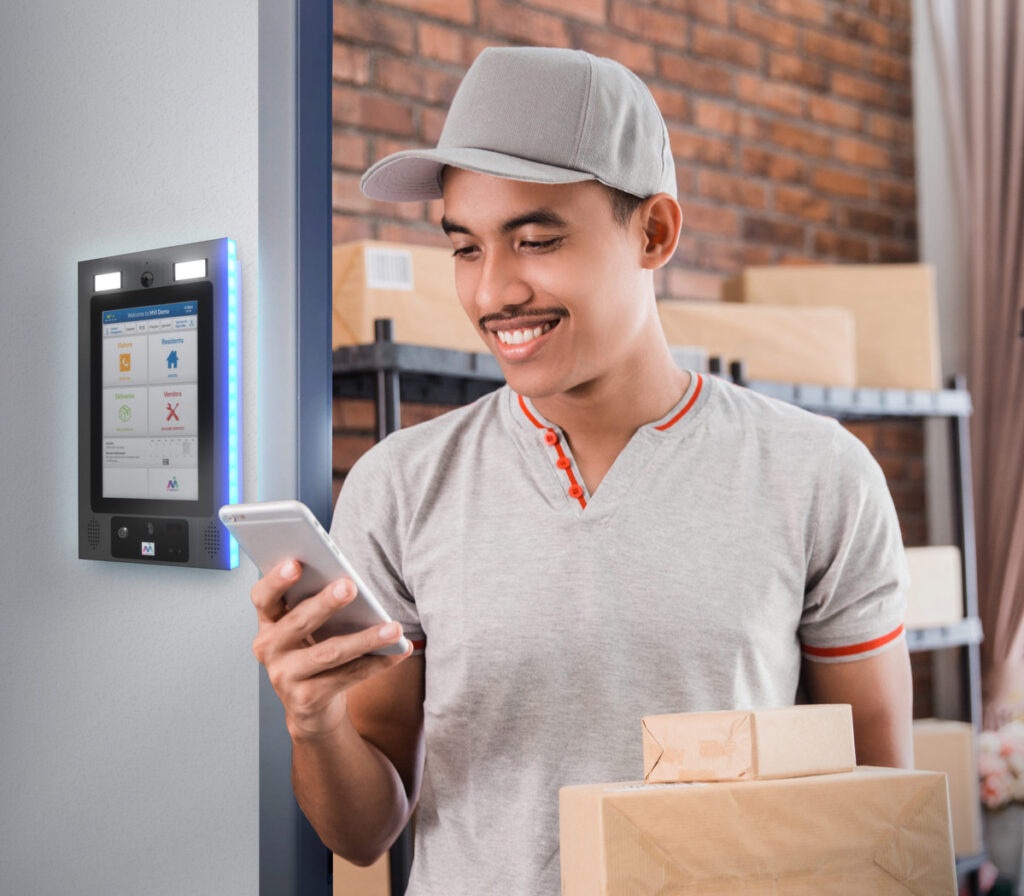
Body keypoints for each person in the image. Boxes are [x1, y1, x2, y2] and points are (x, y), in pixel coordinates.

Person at [251, 46, 913, 895]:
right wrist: (313, 724)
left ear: (656, 232)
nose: (492, 291)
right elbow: (366, 827)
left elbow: (877, 815)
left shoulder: (819, 475)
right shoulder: (398, 487)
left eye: (535, 239)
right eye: (464, 247)